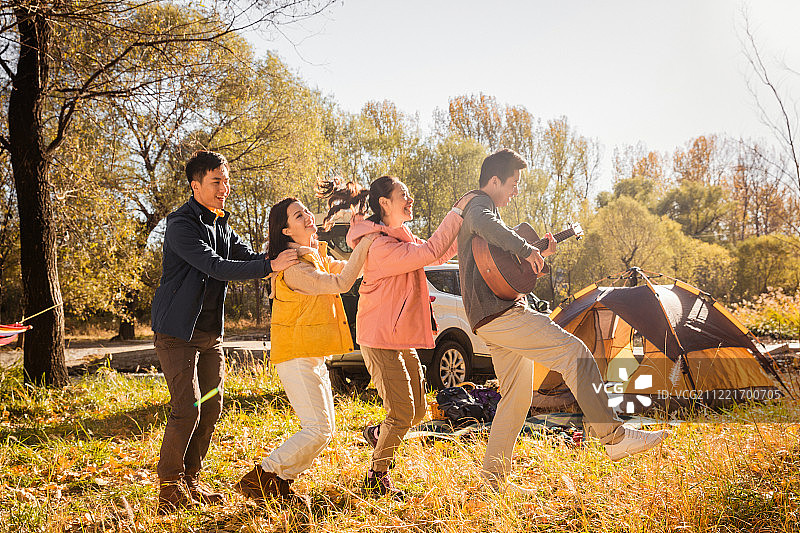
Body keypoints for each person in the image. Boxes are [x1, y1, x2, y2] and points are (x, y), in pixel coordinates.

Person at [457, 148, 669, 495]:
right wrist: (527, 250)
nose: (515, 192)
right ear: (494, 181)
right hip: (501, 314)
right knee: (576, 353)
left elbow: (505, 274)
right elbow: (486, 226)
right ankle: (613, 436)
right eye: (513, 184)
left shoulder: (487, 212)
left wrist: (534, 257)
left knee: (515, 399)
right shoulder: (480, 205)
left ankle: (491, 486)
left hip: (491, 316)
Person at [150, 150, 298, 514]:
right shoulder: (181, 225)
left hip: (208, 333)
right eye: (217, 181)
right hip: (176, 332)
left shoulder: (220, 224)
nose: (224, 188)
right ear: (195, 185)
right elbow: (215, 266)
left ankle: (191, 481)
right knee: (187, 409)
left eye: (226, 181)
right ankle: (169, 489)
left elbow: (245, 255)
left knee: (212, 406)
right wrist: (268, 264)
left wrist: (281, 255)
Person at [320, 175, 475, 499]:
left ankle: (378, 433)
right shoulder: (380, 246)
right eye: (403, 193)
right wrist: (457, 210)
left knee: (417, 411)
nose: (410, 199)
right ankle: (377, 474)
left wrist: (466, 226)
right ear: (384, 203)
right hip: (379, 338)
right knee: (402, 413)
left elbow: (435, 255)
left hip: (398, 337)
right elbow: (430, 250)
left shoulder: (399, 238)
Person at [234, 197, 376, 504]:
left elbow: (354, 266)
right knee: (318, 429)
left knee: (324, 430)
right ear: (286, 230)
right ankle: (264, 476)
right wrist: (366, 243)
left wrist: (367, 237)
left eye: (306, 211)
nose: (308, 216)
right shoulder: (295, 268)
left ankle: (278, 482)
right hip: (296, 357)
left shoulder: (314, 256)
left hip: (311, 355)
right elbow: (340, 281)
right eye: (299, 216)